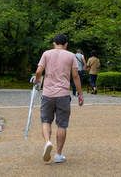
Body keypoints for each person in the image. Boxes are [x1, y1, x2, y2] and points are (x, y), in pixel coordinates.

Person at [32, 33, 84, 164]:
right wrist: (80, 94)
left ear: (54, 43)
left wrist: (36, 81)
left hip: (48, 94)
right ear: (66, 44)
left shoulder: (46, 54)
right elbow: (75, 76)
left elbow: (38, 72)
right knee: (62, 124)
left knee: (46, 120)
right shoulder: (71, 55)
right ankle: (58, 154)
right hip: (63, 95)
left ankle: (47, 142)